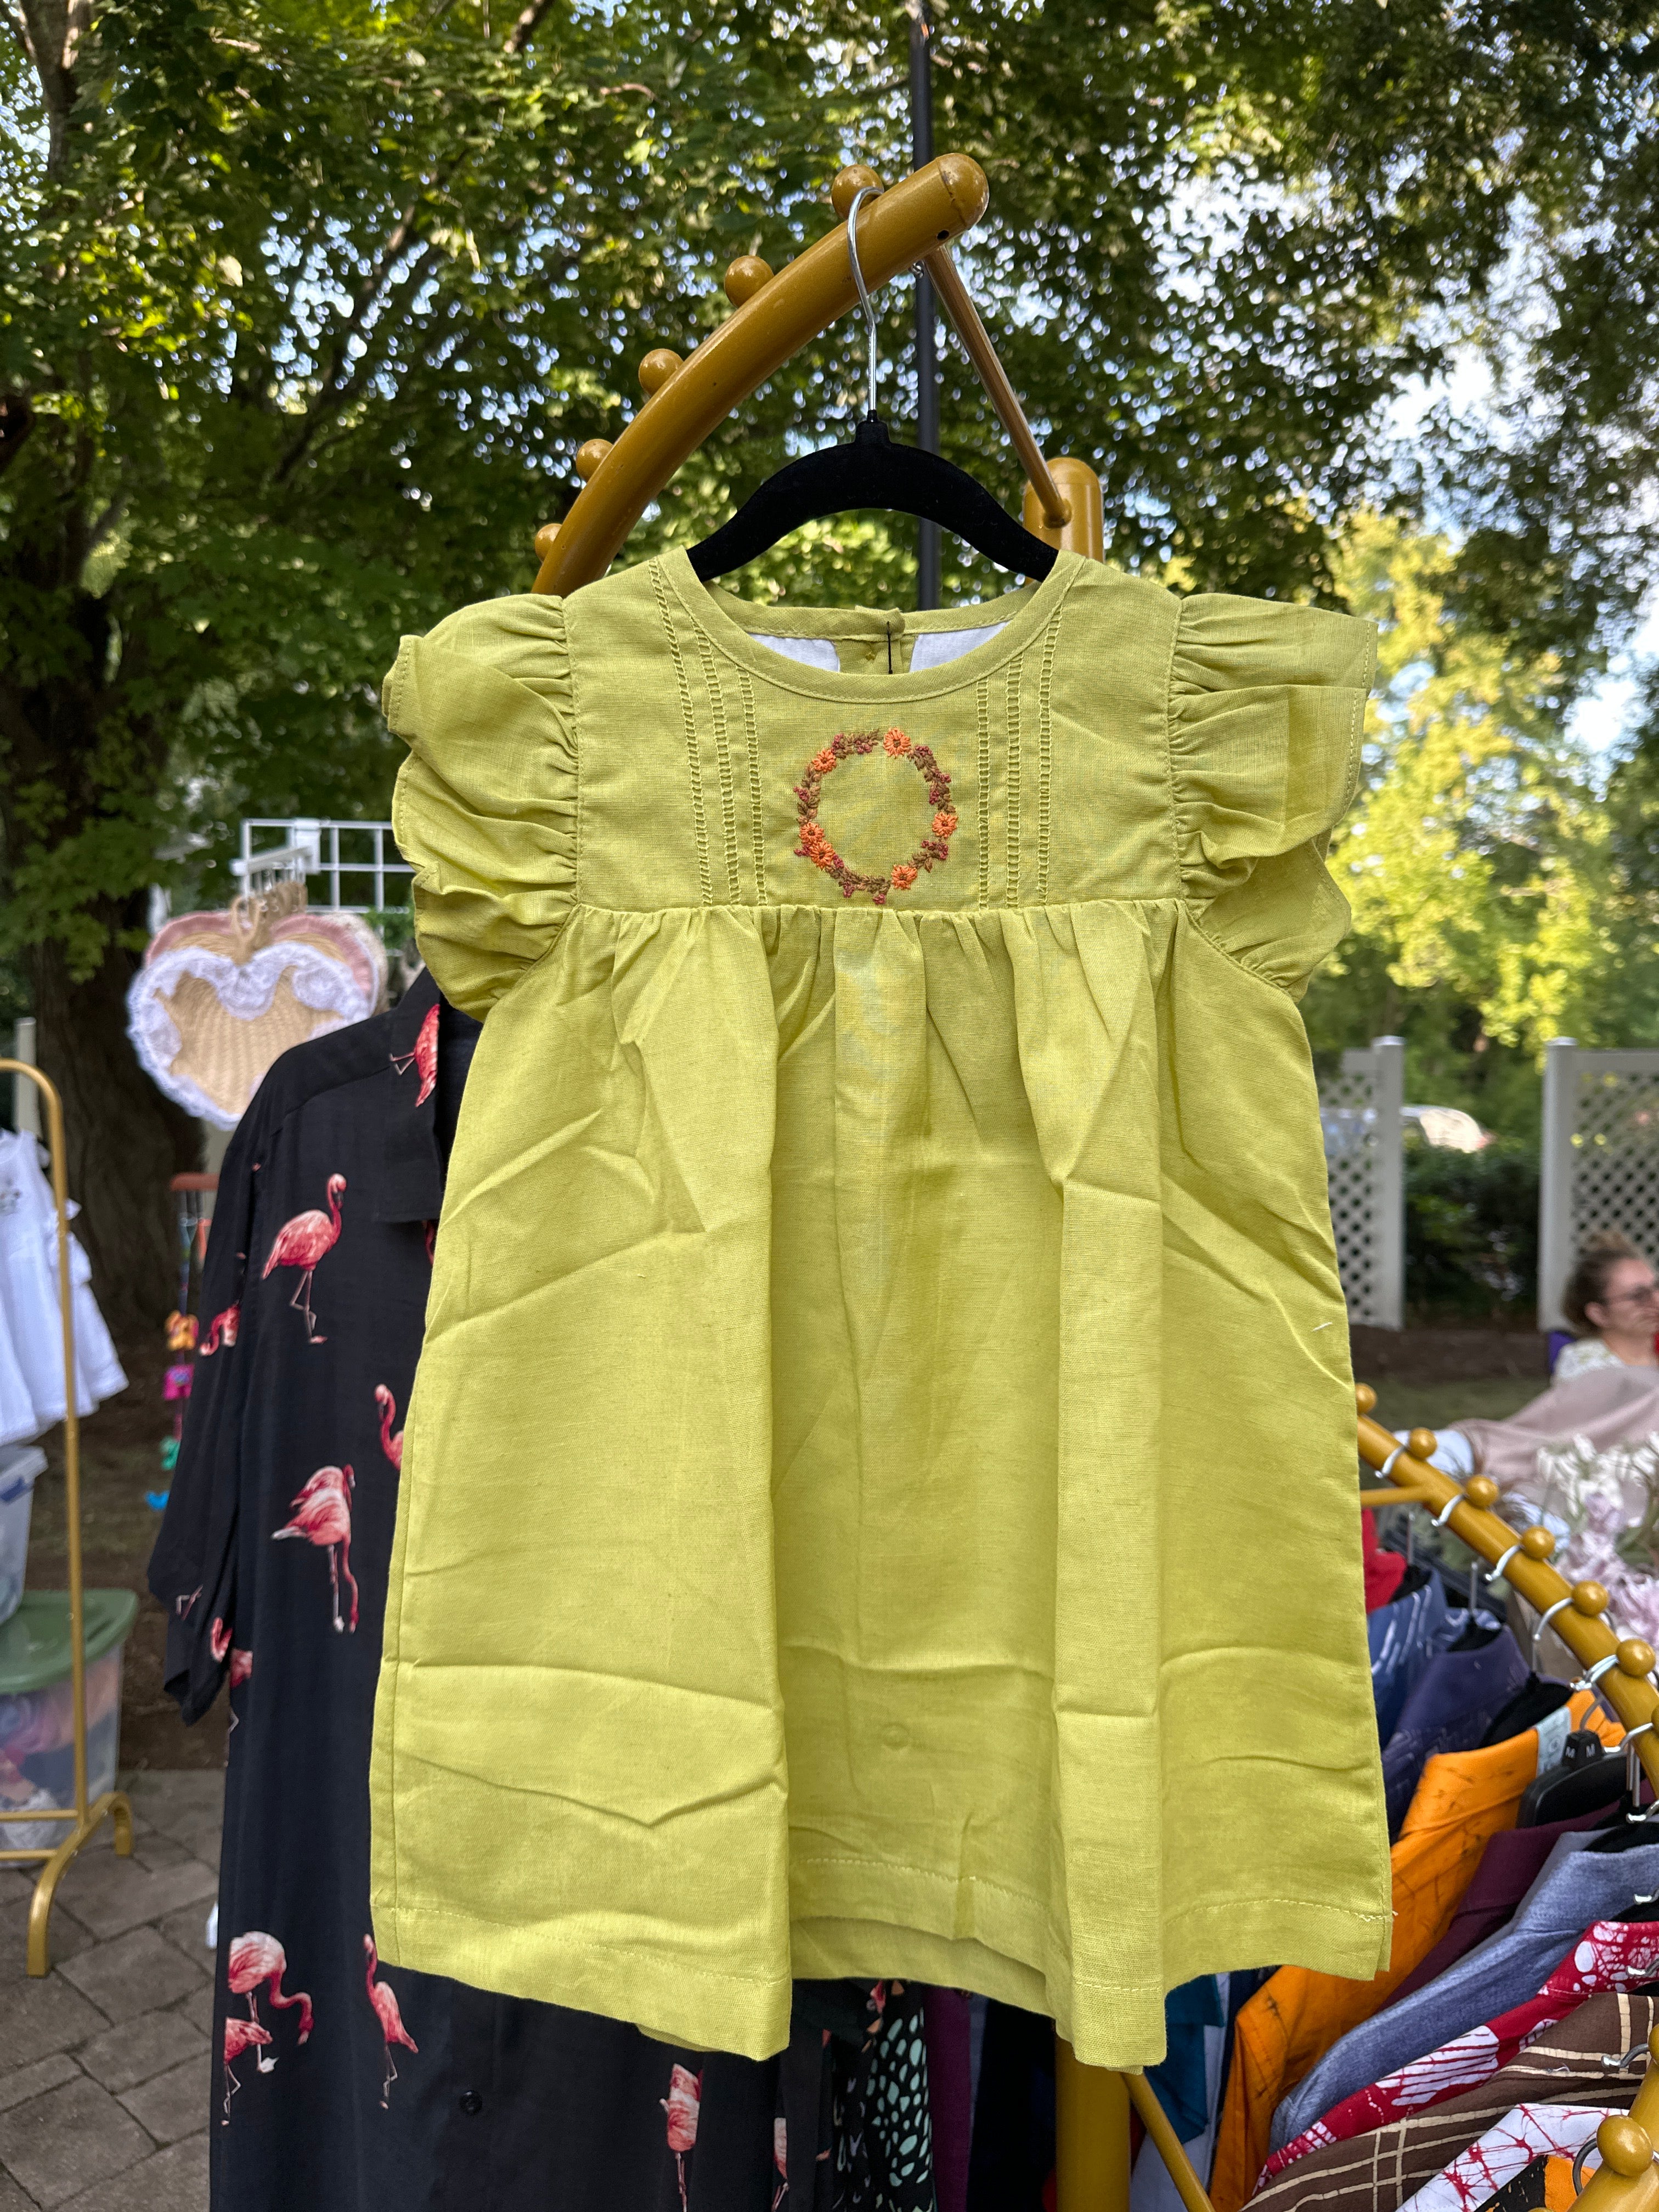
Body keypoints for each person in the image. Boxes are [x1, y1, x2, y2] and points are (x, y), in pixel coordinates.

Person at [1555, 1229, 1659, 1380]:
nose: (1656, 1301)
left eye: (1656, 1287)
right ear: (1600, 1314)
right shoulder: (1587, 1364)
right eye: (1638, 1296)